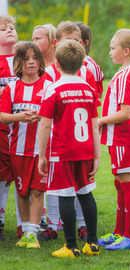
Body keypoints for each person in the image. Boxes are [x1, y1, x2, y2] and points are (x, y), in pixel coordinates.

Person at [37, 21, 99, 242]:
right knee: (85, 193)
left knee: (63, 193)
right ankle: (91, 241)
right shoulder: (88, 89)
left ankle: (71, 243)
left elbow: (45, 124)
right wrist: (97, 154)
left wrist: (41, 154)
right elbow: (94, 123)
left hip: (61, 149)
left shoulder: (53, 88)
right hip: (85, 149)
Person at [0, 41, 51, 248]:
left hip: (41, 150)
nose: (31, 62)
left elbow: (57, 115)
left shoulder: (49, 87)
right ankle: (25, 229)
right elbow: (3, 116)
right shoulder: (11, 89)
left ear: (40, 61)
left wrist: (42, 117)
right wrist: (20, 116)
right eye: (26, 58)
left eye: (35, 58)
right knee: (22, 192)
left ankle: (32, 234)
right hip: (18, 149)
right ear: (18, 62)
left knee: (38, 191)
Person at [97, 29, 130, 250]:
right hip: (120, 138)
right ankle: (119, 232)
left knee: (127, 180)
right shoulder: (126, 73)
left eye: (113, 48)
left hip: (124, 137)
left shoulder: (126, 76)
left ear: (126, 51)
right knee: (120, 182)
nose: (110, 51)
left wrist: (100, 120)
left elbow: (125, 112)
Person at [32, 23, 57, 234]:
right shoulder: (34, 69)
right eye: (32, 38)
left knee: (57, 175)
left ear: (52, 42)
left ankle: (57, 220)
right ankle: (40, 218)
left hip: (60, 131)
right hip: (40, 129)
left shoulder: (61, 67)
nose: (34, 43)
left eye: (38, 38)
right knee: (40, 174)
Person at [0, 14, 23, 240]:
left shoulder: (24, 60)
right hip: (2, 127)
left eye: (12, 27)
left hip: (24, 128)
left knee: (24, 175)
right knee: (2, 176)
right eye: (3, 29)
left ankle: (25, 224)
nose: (9, 30)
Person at [75, 22, 104, 99]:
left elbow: (98, 95)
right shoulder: (60, 62)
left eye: (75, 40)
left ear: (85, 43)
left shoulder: (92, 66)